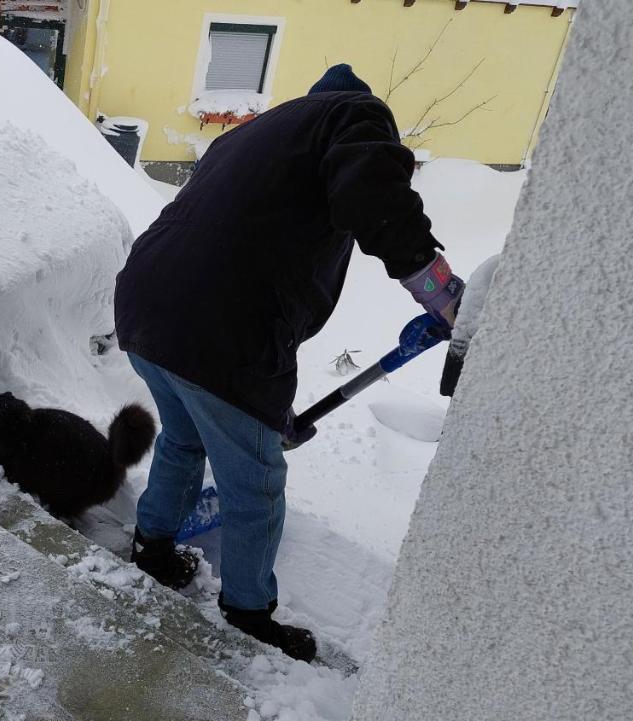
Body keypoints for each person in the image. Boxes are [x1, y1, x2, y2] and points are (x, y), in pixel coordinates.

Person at [113, 64, 464, 662]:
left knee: (185, 434)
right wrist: (439, 290)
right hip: (222, 326)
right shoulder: (352, 114)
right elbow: (372, 193)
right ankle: (247, 611)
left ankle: (152, 545)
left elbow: (242, 234)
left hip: (145, 301)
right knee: (256, 483)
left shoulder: (252, 134)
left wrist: (263, 407)